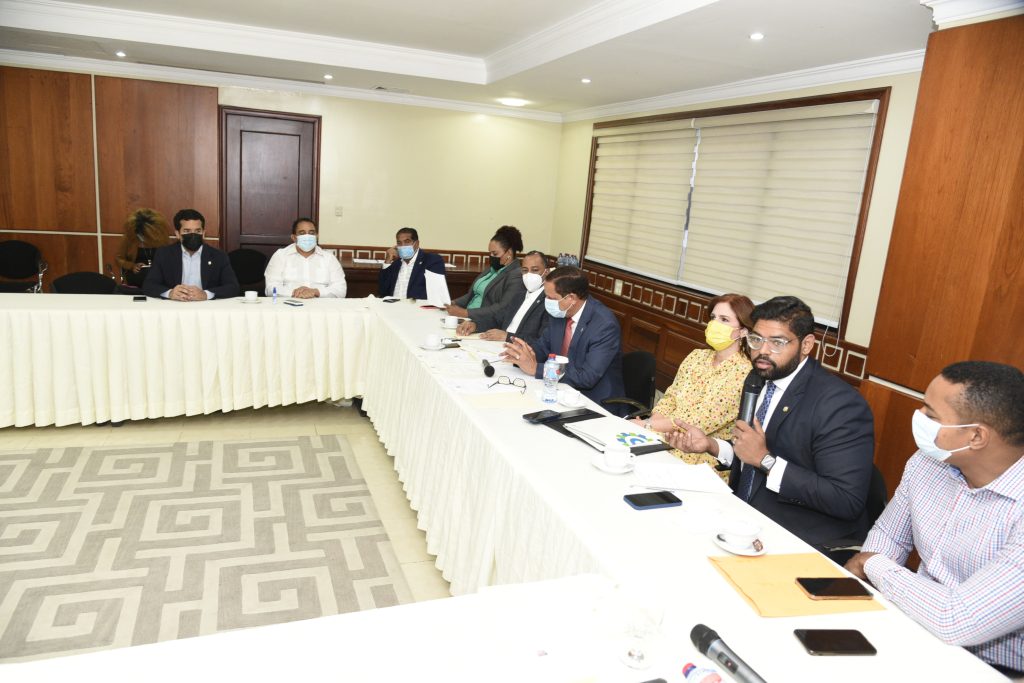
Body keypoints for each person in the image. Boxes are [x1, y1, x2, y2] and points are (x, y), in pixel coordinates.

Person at [846, 361, 1024, 677]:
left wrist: (871, 565)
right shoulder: (928, 463)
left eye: (931, 416)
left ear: (976, 436)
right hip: (913, 628)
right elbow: (890, 536)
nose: (918, 418)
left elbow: (957, 619)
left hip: (996, 670)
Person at [666, 295, 874, 548]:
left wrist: (765, 461)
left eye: (777, 342)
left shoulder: (839, 404)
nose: (763, 351)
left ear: (807, 345)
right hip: (742, 515)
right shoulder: (758, 378)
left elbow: (846, 499)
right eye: (756, 339)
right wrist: (711, 445)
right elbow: (750, 450)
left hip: (800, 534)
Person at [636, 294, 753, 478]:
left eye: (724, 320)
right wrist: (650, 427)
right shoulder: (696, 356)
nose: (715, 324)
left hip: (700, 460)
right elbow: (670, 398)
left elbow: (697, 423)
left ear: (743, 331)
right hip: (663, 439)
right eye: (713, 318)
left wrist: (646, 425)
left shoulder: (745, 373)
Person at [503, 266, 625, 408]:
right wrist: (523, 355)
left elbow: (587, 377)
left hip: (593, 401)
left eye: (551, 298)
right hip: (559, 390)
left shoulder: (604, 325)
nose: (547, 301)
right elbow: (542, 348)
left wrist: (536, 368)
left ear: (571, 298)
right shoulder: (560, 311)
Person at [455, 250, 550, 344]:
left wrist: (508, 337)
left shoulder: (549, 301)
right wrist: (475, 325)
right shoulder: (519, 295)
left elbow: (542, 341)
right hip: (498, 345)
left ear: (546, 272)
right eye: (525, 270)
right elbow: (497, 319)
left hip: (519, 349)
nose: (529, 275)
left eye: (535, 270)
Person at [142, 209, 239, 301]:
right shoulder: (164, 254)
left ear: (203, 233)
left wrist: (206, 294)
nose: (193, 235)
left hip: (206, 307)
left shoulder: (218, 256)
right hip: (174, 306)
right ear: (177, 234)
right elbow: (149, 285)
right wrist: (170, 293)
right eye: (187, 231)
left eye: (197, 231)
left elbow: (233, 287)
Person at [445, 225, 525, 324]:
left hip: (481, 322)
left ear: (509, 253)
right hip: (466, 317)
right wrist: (452, 303)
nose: (491, 257)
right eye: (490, 253)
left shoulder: (516, 275)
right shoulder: (491, 270)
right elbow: (471, 295)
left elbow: (502, 308)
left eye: (495, 254)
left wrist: (465, 313)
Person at [264, 217, 346, 298]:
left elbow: (340, 289)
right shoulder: (280, 256)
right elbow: (270, 288)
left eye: (311, 233)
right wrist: (294, 292)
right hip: (288, 303)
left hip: (321, 304)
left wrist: (316, 292)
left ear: (317, 236)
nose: (307, 236)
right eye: (302, 233)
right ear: (294, 237)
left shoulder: (329, 258)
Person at [378, 227, 447, 300]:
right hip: (392, 304)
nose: (402, 246)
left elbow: (436, 292)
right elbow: (383, 290)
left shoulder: (432, 260)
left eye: (407, 242)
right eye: (399, 243)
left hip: (416, 305)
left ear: (416, 243)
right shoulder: (396, 263)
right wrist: (387, 261)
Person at [114, 208, 171, 288]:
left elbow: (169, 261)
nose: (144, 238)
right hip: (136, 279)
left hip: (157, 279)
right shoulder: (129, 239)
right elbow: (119, 258)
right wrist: (132, 266)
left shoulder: (162, 240)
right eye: (141, 234)